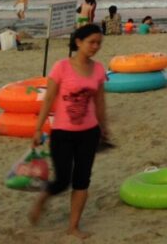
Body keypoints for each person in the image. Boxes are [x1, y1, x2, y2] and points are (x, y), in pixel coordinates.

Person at [29, 23, 108, 239]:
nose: (95, 46)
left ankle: (73, 227)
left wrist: (104, 127)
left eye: (99, 43)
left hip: (89, 133)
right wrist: (38, 129)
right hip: (62, 133)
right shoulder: (61, 66)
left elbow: (100, 101)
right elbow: (49, 99)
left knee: (83, 180)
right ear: (78, 42)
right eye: (91, 42)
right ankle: (44, 197)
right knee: (63, 180)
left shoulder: (99, 69)